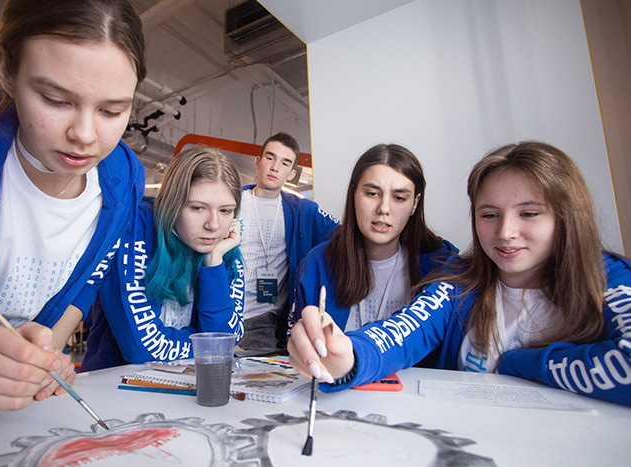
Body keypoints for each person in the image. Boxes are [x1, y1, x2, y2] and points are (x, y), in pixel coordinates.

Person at [288, 141, 631, 407]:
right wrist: (349, 355)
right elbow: (403, 332)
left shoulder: (606, 279)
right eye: (489, 214)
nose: (506, 232)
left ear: (567, 216)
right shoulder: (457, 283)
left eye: (529, 213)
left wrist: (521, 364)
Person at [0, 0, 146, 410]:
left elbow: (87, 280)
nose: (84, 135)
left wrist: (47, 354)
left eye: (112, 110)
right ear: (6, 69)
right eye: (55, 99)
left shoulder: (124, 177)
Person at [80, 146, 245, 371]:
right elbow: (142, 350)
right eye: (198, 208)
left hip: (190, 383)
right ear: (172, 203)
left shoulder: (224, 249)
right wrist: (207, 345)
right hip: (115, 383)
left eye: (225, 211)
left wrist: (213, 265)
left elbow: (225, 341)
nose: (213, 225)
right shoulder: (134, 229)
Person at [288, 144, 458, 335]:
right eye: (372, 194)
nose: (383, 208)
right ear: (353, 194)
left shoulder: (443, 269)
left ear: (415, 203)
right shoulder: (317, 264)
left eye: (399, 197)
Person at [236, 132, 339, 353]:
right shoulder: (231, 203)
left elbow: (343, 236)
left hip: (268, 319)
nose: (275, 167)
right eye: (270, 158)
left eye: (284, 163)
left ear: (292, 173)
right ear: (258, 161)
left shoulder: (302, 210)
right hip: (228, 312)